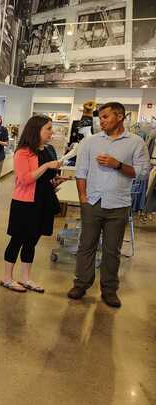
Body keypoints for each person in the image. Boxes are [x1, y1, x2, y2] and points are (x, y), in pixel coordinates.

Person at [67, 102, 151, 307]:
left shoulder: (136, 142)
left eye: (105, 117)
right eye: (100, 117)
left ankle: (109, 289)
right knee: (86, 246)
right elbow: (81, 172)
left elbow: (143, 172)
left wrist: (118, 165)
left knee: (112, 249)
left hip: (119, 204)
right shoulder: (90, 142)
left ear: (120, 117)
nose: (101, 121)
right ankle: (81, 284)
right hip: (92, 202)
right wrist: (83, 198)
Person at [0, 116, 65, 293]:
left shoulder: (48, 149)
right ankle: (7, 278)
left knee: (32, 241)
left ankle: (26, 278)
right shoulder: (23, 152)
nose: (51, 132)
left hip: (43, 201)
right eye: (48, 128)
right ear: (36, 130)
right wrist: (46, 166)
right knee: (17, 239)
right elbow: (24, 179)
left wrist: (56, 180)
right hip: (25, 203)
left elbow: (46, 178)